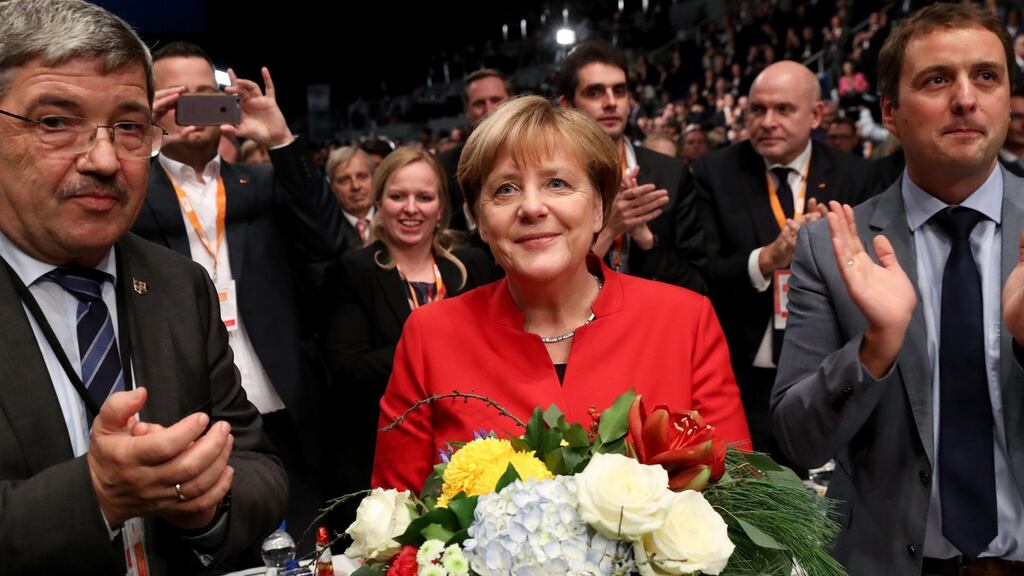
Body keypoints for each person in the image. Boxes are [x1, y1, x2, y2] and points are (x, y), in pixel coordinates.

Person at [0, 0, 286, 573]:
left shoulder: (180, 284)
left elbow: (260, 467)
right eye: (56, 122)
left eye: (130, 127)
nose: (105, 159)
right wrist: (97, 493)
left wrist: (208, 503)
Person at [371, 96, 750, 492]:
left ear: (601, 208)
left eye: (557, 183)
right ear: (480, 221)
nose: (532, 207)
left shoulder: (685, 321)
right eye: (505, 189)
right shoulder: (430, 337)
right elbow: (400, 535)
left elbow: (744, 506)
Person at [772, 4, 1024, 574]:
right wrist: (874, 349)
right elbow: (796, 441)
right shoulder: (834, 248)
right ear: (889, 110)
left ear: (1008, 97)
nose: (965, 98)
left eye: (986, 76)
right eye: (937, 80)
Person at [130, 41, 341, 546]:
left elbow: (329, 240)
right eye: (177, 97)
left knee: (314, 547)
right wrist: (139, 142)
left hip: (283, 405)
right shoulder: (134, 190)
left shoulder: (262, 183)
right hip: (188, 418)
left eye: (207, 96)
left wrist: (281, 138)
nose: (194, 109)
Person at [694, 60, 880, 475]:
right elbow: (703, 272)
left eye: (783, 109)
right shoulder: (716, 171)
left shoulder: (857, 175)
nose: (767, 122)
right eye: (757, 110)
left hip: (828, 378)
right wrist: (770, 258)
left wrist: (827, 250)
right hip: (744, 376)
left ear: (816, 115)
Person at [322, 147, 491, 516]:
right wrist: (430, 348)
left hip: (471, 447)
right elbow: (346, 369)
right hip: (383, 453)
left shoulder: (473, 266)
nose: (411, 208)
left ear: (441, 206)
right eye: (398, 196)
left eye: (424, 197)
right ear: (379, 202)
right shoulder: (355, 271)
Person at [558, 40, 707, 294]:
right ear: (567, 106)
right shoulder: (552, 180)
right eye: (594, 92)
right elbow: (548, 286)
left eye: (619, 90)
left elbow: (698, 284)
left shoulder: (670, 173)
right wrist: (609, 230)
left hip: (656, 323)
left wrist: (645, 239)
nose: (610, 102)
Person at [437, 69, 512, 233]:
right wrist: (472, 208)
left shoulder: (539, 150)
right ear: (467, 110)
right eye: (479, 103)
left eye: (496, 100)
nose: (489, 109)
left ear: (511, 101)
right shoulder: (443, 165)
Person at [326, 146, 375, 251]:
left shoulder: (393, 218)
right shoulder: (326, 231)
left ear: (374, 178)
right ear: (332, 187)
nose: (356, 186)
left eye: (362, 176)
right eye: (344, 180)